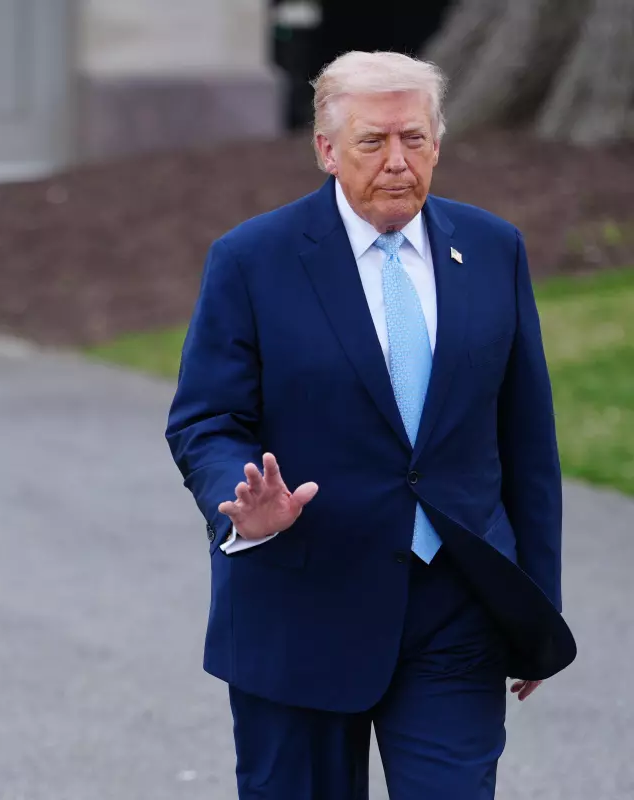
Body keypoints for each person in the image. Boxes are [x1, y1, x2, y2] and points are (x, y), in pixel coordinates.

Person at [165, 50, 576, 798]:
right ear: (327, 150)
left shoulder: (492, 250)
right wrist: (241, 504)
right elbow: (206, 419)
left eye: (414, 138)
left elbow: (526, 441)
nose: (397, 161)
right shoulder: (253, 260)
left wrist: (534, 607)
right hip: (301, 608)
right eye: (372, 141)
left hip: (455, 606)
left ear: (437, 144)